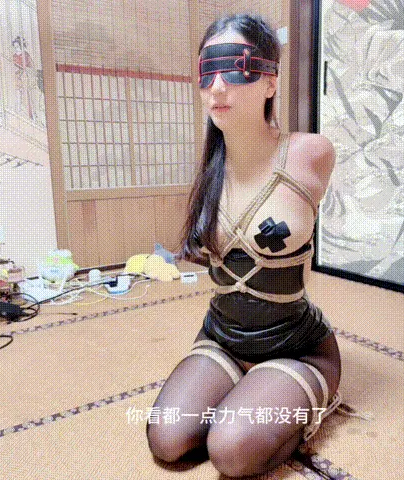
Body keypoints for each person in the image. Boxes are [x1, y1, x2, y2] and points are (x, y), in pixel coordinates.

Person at [146, 13, 340, 477]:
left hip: (296, 345)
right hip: (221, 337)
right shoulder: (210, 167)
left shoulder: (310, 154)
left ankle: (297, 400)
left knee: (231, 451)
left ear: (271, 82)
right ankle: (246, 395)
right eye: (207, 72)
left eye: (235, 68)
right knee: (167, 439)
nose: (217, 88)